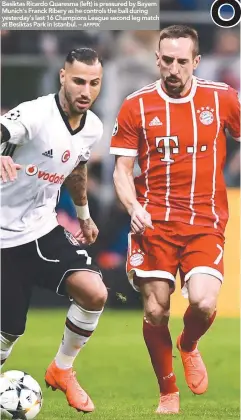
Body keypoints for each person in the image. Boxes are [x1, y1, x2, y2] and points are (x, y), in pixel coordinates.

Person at [110, 25, 240, 414]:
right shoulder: (136, 104)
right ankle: (168, 392)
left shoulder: (222, 99)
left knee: (201, 302)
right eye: (167, 59)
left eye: (182, 61)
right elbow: (121, 170)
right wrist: (134, 208)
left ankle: (189, 344)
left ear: (196, 62)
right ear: (157, 59)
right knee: (155, 310)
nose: (173, 68)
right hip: (155, 222)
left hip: (204, 220)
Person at [0, 48, 108, 414]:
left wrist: (83, 215)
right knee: (6, 337)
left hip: (43, 228)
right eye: (78, 80)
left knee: (94, 293)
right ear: (62, 76)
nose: (86, 90)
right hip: (3, 238)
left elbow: (77, 169)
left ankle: (62, 369)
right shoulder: (35, 113)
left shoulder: (91, 126)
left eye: (94, 83)